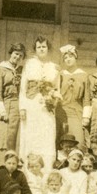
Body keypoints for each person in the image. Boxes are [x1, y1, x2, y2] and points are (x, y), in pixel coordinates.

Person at [19, 35, 61, 171]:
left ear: (48, 49)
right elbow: (23, 88)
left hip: (46, 107)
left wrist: (52, 102)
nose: (41, 49)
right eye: (39, 47)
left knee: (46, 135)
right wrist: (22, 108)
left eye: (44, 47)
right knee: (31, 134)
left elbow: (57, 88)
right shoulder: (29, 64)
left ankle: (46, 169)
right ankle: (29, 170)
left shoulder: (53, 67)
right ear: (35, 49)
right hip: (31, 105)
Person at [0, 43, 25, 166]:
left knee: (14, 135)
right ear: (11, 53)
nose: (17, 57)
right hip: (5, 104)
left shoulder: (21, 70)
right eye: (16, 54)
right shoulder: (1, 68)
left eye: (20, 55)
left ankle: (13, 165)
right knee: (3, 135)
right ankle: (1, 165)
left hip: (18, 105)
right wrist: (2, 111)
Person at [56, 44, 91, 151]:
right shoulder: (60, 75)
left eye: (70, 56)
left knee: (78, 142)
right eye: (65, 57)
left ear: (75, 57)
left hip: (77, 113)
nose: (68, 59)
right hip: (61, 112)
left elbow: (86, 98)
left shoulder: (84, 75)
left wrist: (86, 117)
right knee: (61, 141)